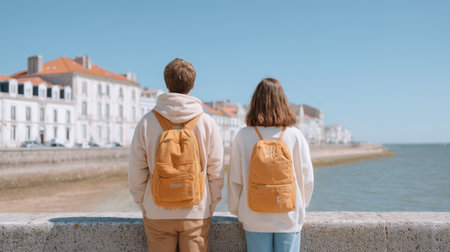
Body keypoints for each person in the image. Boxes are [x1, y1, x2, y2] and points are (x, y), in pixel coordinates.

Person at [129, 58, 224, 252]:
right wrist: (210, 204)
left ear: (166, 83)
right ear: (193, 84)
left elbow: (136, 169)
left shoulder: (147, 122)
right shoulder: (207, 122)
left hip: (157, 210)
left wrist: (143, 202)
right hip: (196, 210)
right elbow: (216, 171)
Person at [227, 78, 314, 252]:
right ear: (283, 102)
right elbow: (307, 178)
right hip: (288, 216)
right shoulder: (295, 135)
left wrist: (239, 210)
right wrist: (299, 207)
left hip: (254, 216)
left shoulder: (243, 136)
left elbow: (234, 179)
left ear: (255, 102)